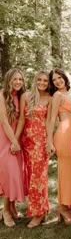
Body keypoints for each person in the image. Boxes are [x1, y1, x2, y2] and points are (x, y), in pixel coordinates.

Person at [15, 70, 51, 227]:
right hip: (26, 141)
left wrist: (49, 142)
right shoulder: (26, 96)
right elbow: (22, 119)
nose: (42, 83)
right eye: (40, 80)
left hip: (40, 142)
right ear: (35, 80)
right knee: (31, 177)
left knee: (38, 177)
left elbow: (50, 122)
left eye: (45, 81)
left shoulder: (50, 99)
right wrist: (16, 139)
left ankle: (38, 213)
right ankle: (42, 208)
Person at [47, 68, 71, 225]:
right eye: (54, 80)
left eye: (60, 78)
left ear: (65, 78)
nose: (58, 81)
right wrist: (49, 141)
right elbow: (52, 119)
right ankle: (63, 207)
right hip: (64, 135)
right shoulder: (57, 95)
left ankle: (70, 204)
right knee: (65, 171)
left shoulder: (67, 94)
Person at [0, 68, 26, 227]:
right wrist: (13, 141)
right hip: (4, 137)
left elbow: (22, 119)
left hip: (16, 137)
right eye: (15, 79)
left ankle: (12, 207)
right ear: (9, 80)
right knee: (9, 173)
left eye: (21, 80)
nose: (18, 82)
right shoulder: (2, 94)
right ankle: (6, 210)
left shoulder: (20, 96)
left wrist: (16, 140)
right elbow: (3, 121)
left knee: (16, 172)